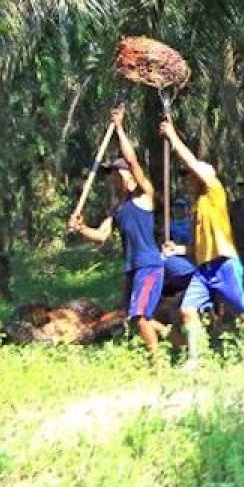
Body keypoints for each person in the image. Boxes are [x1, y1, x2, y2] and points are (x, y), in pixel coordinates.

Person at [68, 107, 164, 359]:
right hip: (131, 268)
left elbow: (132, 161)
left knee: (140, 316)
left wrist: (119, 128)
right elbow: (101, 236)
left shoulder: (144, 195)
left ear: (126, 175)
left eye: (114, 173)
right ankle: (173, 334)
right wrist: (81, 228)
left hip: (149, 266)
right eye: (109, 174)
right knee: (133, 318)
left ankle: (158, 368)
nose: (111, 178)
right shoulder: (118, 208)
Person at [158, 118, 244, 366]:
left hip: (223, 265)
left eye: (190, 174)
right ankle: (195, 359)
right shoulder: (196, 207)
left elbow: (193, 164)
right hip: (203, 269)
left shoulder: (214, 191)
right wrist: (177, 249)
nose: (187, 178)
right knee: (188, 310)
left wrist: (173, 137)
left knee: (243, 315)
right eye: (186, 176)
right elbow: (196, 248)